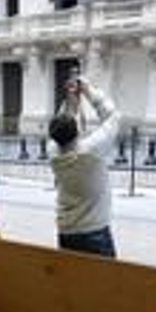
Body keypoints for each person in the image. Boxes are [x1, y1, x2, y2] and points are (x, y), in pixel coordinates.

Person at [47, 77, 121, 257]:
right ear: (77, 131)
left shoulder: (53, 152)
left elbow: (63, 123)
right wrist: (89, 91)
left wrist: (71, 99)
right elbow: (113, 116)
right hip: (95, 232)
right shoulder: (91, 150)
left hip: (66, 231)